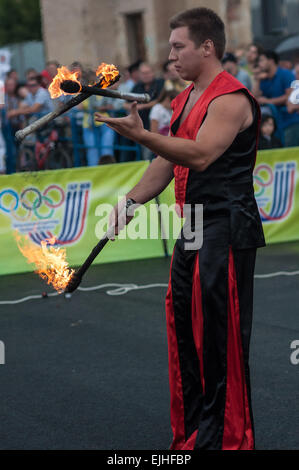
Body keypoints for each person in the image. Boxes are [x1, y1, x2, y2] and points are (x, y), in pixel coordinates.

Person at [95, 6, 265, 450]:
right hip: (191, 226)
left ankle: (227, 441)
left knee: (218, 339)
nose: (170, 55)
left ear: (207, 47)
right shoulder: (185, 98)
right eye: (170, 47)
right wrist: (130, 202)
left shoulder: (230, 99)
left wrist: (141, 135)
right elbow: (169, 159)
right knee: (185, 333)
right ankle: (194, 435)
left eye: (178, 46)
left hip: (225, 226)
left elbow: (201, 155)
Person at [253, 50, 299, 147]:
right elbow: (255, 98)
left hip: (290, 121)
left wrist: (268, 101)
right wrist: (257, 79)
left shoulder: (285, 74)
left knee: (289, 152)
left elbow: (290, 96)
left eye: (262, 60)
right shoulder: (263, 79)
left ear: (271, 61)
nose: (259, 64)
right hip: (273, 125)